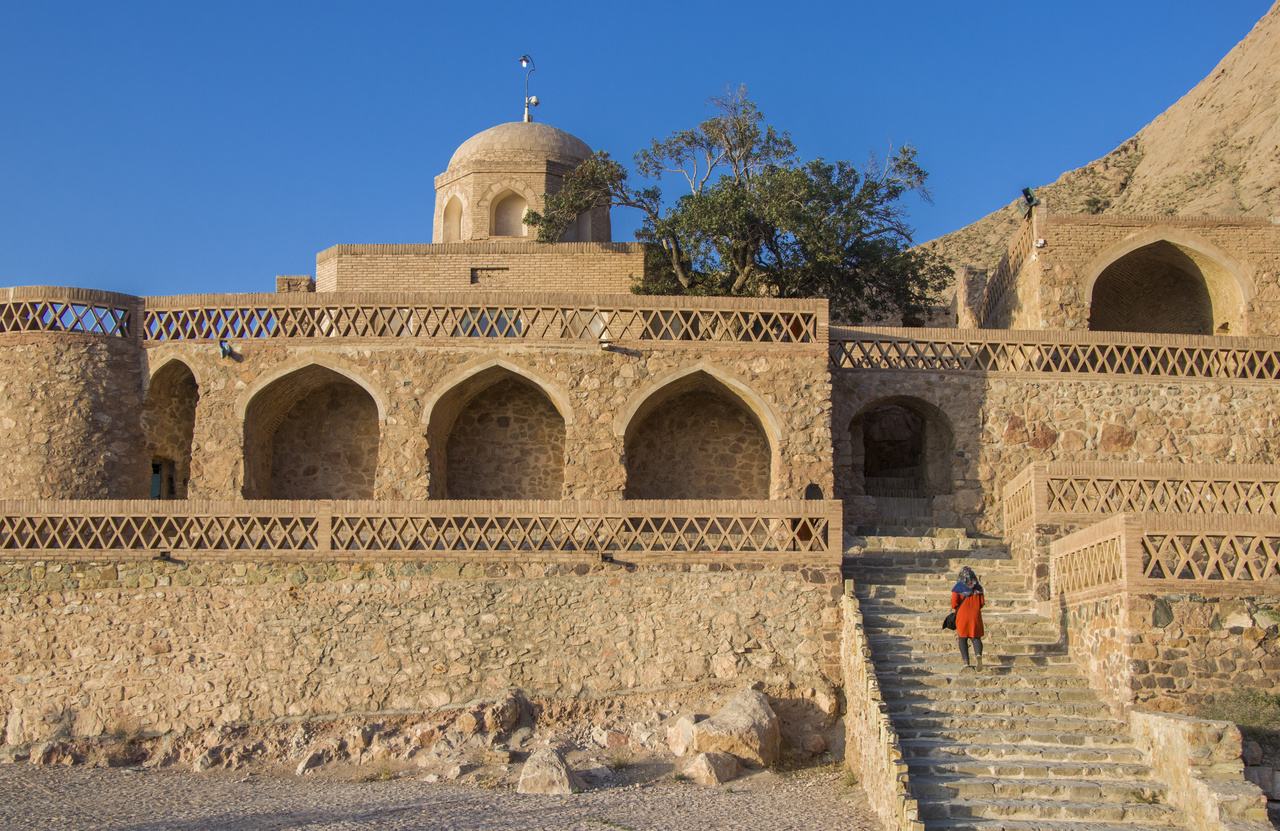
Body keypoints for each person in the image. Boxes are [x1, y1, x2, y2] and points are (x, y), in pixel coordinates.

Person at [951, 566, 985, 670]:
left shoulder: (958, 587)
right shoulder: (978, 588)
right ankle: (978, 654)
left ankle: (966, 662)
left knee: (962, 638)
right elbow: (982, 603)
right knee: (976, 637)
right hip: (975, 615)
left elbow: (954, 603)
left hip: (962, 615)